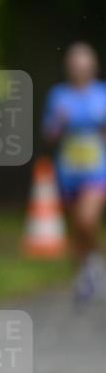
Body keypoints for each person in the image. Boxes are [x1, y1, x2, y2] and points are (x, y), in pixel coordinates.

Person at [43, 42, 106, 303]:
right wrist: (59, 121)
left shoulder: (102, 94)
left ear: (92, 66)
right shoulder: (59, 96)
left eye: (84, 63)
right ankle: (85, 272)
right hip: (68, 171)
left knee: (87, 220)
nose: (80, 68)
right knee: (75, 228)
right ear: (69, 68)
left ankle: (93, 261)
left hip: (97, 169)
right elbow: (49, 134)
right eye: (75, 63)